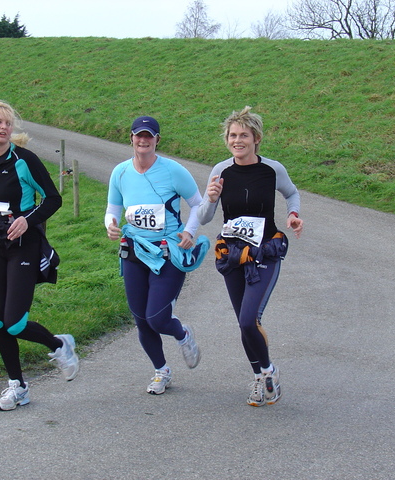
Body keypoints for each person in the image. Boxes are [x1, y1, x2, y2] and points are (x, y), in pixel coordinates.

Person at [0, 100, 79, 411]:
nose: (3, 128)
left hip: (24, 248)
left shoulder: (24, 160)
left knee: (14, 323)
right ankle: (17, 386)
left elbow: (53, 198)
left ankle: (59, 345)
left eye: (7, 123)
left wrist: (26, 220)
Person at [198, 106, 304, 407]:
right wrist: (211, 197)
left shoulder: (272, 170)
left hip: (266, 251)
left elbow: (292, 193)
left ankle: (268, 371)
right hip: (232, 255)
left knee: (248, 319)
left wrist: (293, 215)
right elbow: (206, 217)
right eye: (232, 135)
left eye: (243, 135)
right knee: (243, 322)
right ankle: (261, 377)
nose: (237, 140)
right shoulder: (220, 171)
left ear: (256, 138)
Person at [105, 116, 209, 395]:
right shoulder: (121, 173)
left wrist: (189, 232)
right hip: (134, 251)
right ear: (131, 138)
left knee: (158, 318)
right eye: (139, 135)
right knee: (140, 318)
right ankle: (161, 371)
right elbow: (112, 209)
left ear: (157, 140)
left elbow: (198, 205)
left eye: (149, 136)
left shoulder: (174, 171)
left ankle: (183, 334)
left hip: (168, 253)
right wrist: (111, 226)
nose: (143, 140)